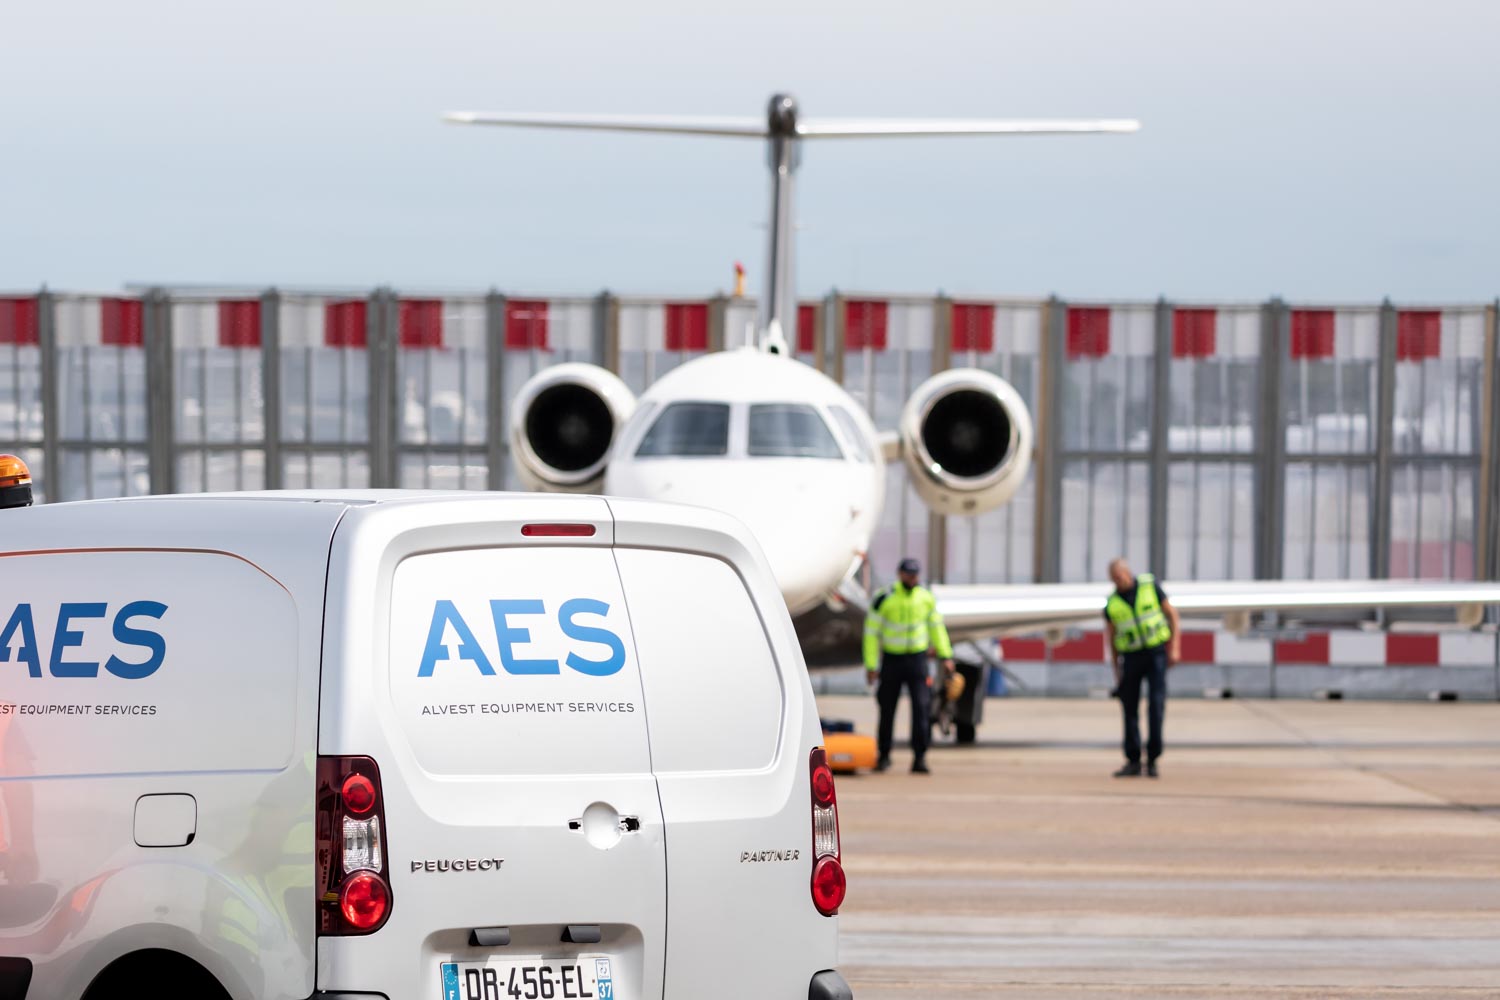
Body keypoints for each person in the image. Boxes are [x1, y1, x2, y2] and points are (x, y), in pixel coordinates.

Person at [864, 557, 954, 774]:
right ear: (900, 574)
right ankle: (884, 755)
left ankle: (920, 758)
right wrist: (871, 665)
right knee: (887, 709)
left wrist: (946, 655)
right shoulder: (883, 598)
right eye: (909, 574)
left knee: (921, 709)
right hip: (892, 661)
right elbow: (870, 633)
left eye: (915, 574)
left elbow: (936, 628)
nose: (913, 578)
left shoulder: (925, 598)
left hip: (917, 661)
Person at [1102, 558, 1180, 778]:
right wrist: (1116, 670)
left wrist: (1174, 647)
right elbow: (1112, 638)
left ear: (1128, 573)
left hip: (1155, 654)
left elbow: (1172, 615)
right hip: (1131, 658)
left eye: (1120, 577)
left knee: (1156, 705)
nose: (1118, 581)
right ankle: (1133, 759)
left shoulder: (1150, 587)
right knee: (1129, 709)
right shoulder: (1112, 603)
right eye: (1114, 579)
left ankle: (1153, 759)